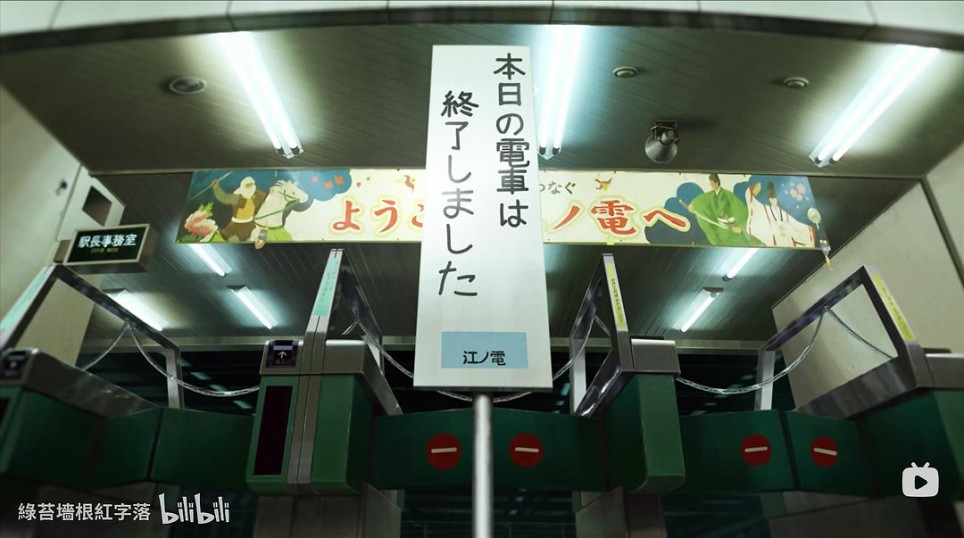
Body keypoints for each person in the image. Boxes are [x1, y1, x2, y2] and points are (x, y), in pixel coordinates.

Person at [745, 181, 816, 247]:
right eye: (771, 199)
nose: (774, 201)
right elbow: (751, 200)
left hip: (786, 235)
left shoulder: (782, 212)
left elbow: (792, 222)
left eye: (774, 199)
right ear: (769, 199)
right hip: (775, 235)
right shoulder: (765, 209)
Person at [686, 174, 750, 246]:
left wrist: (740, 227)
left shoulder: (728, 194)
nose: (711, 185)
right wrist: (694, 204)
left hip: (732, 228)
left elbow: (738, 209)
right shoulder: (710, 195)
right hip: (721, 231)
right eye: (710, 184)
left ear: (716, 182)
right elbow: (701, 200)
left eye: (712, 183)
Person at [212, 176, 267, 242]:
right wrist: (216, 188)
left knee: (258, 236)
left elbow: (267, 197)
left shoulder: (256, 195)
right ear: (243, 186)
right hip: (236, 224)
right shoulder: (237, 197)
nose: (250, 186)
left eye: (251, 184)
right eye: (247, 185)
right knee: (232, 239)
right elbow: (224, 197)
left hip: (250, 224)